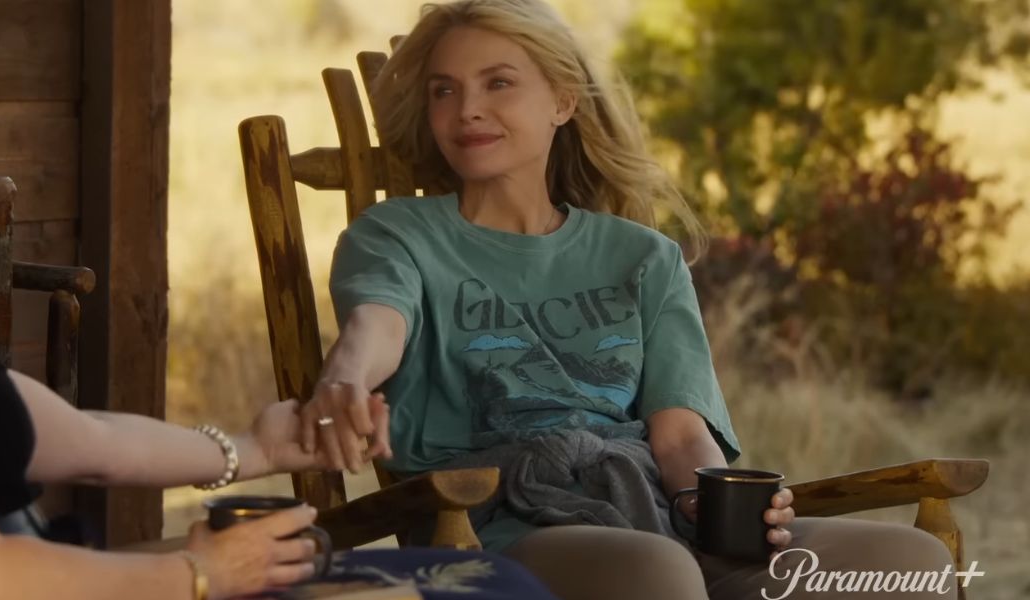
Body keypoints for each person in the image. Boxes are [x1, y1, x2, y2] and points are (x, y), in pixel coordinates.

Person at [0, 2, 561, 599]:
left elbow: (91, 443)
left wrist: (259, 448)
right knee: (485, 590)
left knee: (492, 584)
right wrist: (202, 574)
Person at [299, 1, 959, 599]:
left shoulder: (643, 256)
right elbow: (376, 324)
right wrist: (345, 380)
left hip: (653, 510)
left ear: (562, 101)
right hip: (495, 524)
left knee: (908, 559)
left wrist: (713, 503)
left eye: (498, 83)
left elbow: (680, 434)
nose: (467, 108)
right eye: (445, 90)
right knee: (654, 569)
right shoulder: (400, 236)